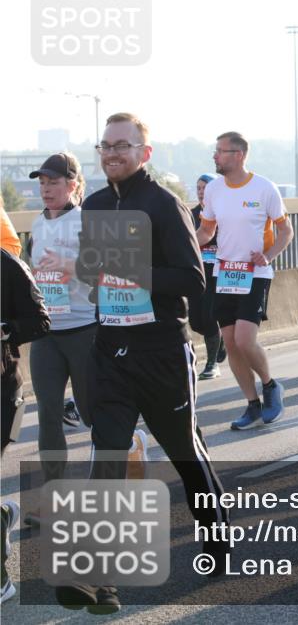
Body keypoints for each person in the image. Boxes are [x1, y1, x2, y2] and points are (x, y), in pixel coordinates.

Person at [64, 113, 228, 613]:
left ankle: (216, 538)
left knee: (185, 452)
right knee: (107, 457)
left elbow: (191, 279)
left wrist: (132, 271)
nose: (113, 153)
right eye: (106, 146)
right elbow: (96, 274)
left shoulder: (163, 203)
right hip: (110, 352)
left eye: (124, 145)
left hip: (161, 353)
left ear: (144, 152)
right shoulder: (91, 206)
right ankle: (97, 580)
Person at [196, 132, 293, 430]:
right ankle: (252, 405)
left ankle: (270, 385)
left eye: (220, 151)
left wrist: (268, 255)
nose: (215, 156)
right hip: (225, 273)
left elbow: (286, 231)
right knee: (230, 341)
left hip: (255, 273)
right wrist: (183, 249)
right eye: (215, 151)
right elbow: (206, 232)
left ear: (238, 155)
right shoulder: (213, 190)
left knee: (244, 339)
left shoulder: (265, 188)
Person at [25, 153, 102, 507]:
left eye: (53, 182)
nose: (46, 189)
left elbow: (107, 274)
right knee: (48, 412)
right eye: (41, 183)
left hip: (85, 329)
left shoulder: (88, 220)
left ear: (72, 185)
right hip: (46, 334)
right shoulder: (37, 225)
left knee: (91, 413)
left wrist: (68, 266)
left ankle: (118, 469)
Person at [1, 247, 49, 604]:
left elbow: (40, 321)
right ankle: (3, 514)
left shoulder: (8, 266)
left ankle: (2, 579)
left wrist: (5, 330)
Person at [189, 173, 226, 380]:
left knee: (210, 316)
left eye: (205, 187)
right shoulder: (190, 213)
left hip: (218, 271)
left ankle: (211, 364)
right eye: (199, 188)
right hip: (197, 271)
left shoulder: (224, 213)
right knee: (196, 321)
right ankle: (220, 341)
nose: (201, 191)